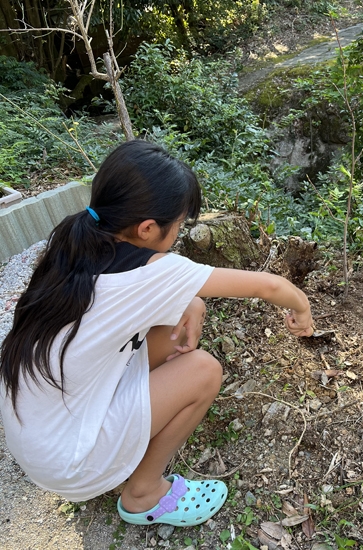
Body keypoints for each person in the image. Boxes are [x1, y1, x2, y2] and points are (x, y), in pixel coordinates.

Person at [0, 140, 314, 527]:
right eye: (179, 225)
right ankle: (143, 494)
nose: (180, 232)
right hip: (67, 461)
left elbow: (164, 303)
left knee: (180, 316)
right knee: (203, 371)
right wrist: (301, 308)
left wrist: (192, 303)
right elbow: (268, 287)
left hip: (38, 432)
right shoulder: (154, 271)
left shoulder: (77, 239)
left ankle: (117, 450)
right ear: (148, 228)